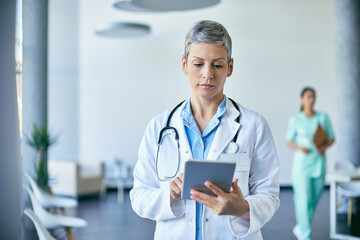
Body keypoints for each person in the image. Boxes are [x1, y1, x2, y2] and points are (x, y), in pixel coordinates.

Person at [130, 20, 280, 240]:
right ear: (184, 64)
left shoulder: (254, 125)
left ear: (230, 67)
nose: (208, 74)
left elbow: (269, 195)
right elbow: (139, 196)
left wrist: (243, 208)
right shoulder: (159, 127)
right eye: (198, 64)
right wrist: (169, 195)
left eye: (217, 65)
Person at [286, 87, 335, 240]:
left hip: (319, 163)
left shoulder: (323, 117)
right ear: (302, 99)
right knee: (302, 199)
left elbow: (331, 138)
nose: (311, 99)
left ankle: (301, 226)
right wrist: (300, 147)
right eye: (308, 96)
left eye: (313, 96)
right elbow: (289, 141)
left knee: (314, 199)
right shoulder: (296, 119)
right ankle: (305, 235)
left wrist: (324, 147)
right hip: (302, 165)